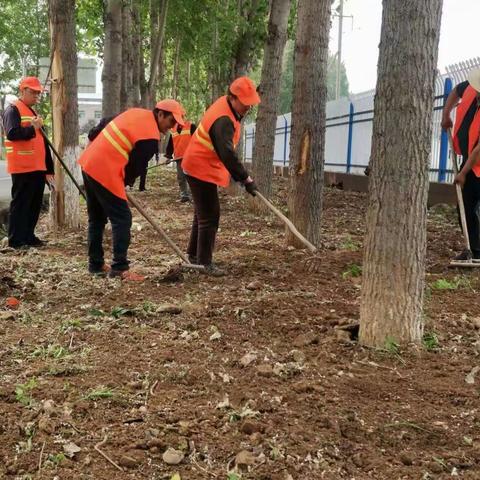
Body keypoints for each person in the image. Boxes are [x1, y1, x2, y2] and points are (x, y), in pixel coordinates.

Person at [78, 99, 185, 281]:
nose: (172, 127)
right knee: (122, 218)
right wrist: (123, 183)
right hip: (105, 170)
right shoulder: (150, 138)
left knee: (96, 218)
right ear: (160, 114)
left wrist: (91, 139)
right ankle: (120, 268)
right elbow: (136, 168)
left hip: (89, 162)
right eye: (171, 121)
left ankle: (95, 264)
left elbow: (104, 122)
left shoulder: (135, 112)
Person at [181, 76, 260, 276]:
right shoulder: (224, 119)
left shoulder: (226, 108)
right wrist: (245, 179)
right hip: (200, 168)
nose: (249, 108)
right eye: (246, 103)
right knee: (210, 215)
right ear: (233, 98)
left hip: (198, 165)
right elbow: (227, 155)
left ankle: (194, 256)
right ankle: (204, 264)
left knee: (202, 214)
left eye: (251, 103)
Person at [2, 76, 54, 249]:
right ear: (23, 90)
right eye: (33, 92)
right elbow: (12, 133)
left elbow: (43, 143)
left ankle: (29, 236)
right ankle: (16, 240)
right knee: (21, 203)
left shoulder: (32, 112)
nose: (36, 96)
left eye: (38, 93)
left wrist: (49, 169)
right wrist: (33, 128)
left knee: (34, 204)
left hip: (37, 167)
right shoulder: (13, 109)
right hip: (23, 167)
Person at [443, 68, 480, 260]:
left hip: (476, 164)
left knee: (472, 206)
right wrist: (445, 115)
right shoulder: (471, 87)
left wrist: (463, 173)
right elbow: (455, 91)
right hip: (470, 161)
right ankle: (473, 250)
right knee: (465, 206)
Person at [165, 118, 197, 202]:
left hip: (190, 157)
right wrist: (168, 156)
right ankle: (184, 195)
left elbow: (197, 140)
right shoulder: (174, 129)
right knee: (181, 177)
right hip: (179, 157)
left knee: (192, 176)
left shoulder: (191, 126)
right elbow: (170, 144)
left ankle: (195, 195)